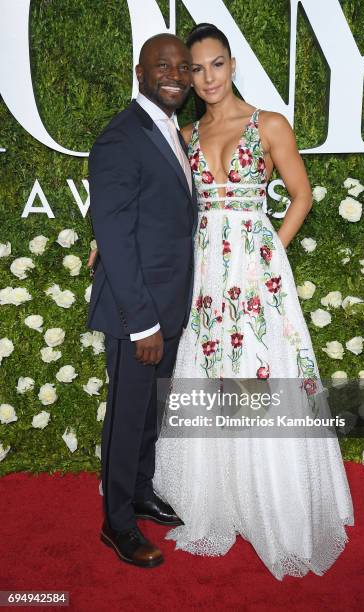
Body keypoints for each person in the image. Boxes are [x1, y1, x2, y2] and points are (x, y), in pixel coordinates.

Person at [151, 24, 355, 580]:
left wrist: (269, 258)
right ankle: (219, 497)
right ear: (188, 76)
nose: (207, 78)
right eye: (196, 69)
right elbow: (168, 206)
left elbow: (301, 194)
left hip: (257, 273)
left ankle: (275, 500)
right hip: (206, 275)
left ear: (233, 63)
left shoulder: (268, 125)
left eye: (216, 65)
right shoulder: (185, 134)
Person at [87, 33, 197, 568]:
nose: (175, 74)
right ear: (140, 71)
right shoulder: (120, 137)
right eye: (163, 66)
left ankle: (142, 491)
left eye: (183, 66)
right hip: (140, 314)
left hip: (168, 305)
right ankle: (117, 523)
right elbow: (115, 236)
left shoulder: (170, 131)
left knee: (152, 411)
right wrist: (142, 324)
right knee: (128, 417)